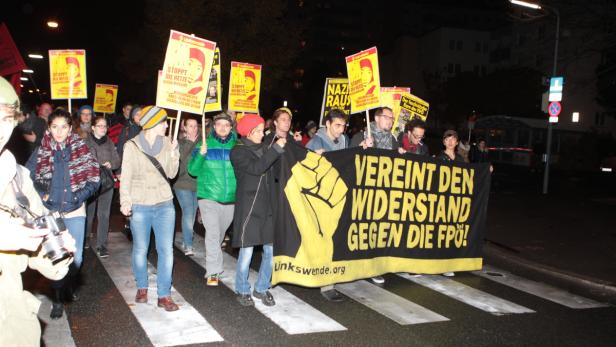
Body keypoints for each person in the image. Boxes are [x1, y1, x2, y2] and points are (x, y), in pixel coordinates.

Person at [0, 76, 77, 346]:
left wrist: (58, 251)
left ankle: (58, 300)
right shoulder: (40, 151)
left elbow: (91, 176)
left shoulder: (16, 177)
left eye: (6, 119)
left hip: (11, 326)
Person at [26, 108, 100, 319]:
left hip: (75, 210)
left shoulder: (81, 148)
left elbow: (94, 178)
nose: (59, 132)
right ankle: (58, 299)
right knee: (56, 258)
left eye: (64, 127)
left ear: (70, 128)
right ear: (49, 128)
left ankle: (69, 283)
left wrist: (79, 197)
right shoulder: (42, 150)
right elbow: (25, 175)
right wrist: (42, 195)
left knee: (75, 259)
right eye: (55, 127)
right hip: (51, 214)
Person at [120, 105, 180, 311]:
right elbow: (126, 176)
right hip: (140, 204)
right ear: (153, 124)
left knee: (166, 250)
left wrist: (174, 153)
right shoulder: (132, 145)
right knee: (140, 249)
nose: (167, 125)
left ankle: (164, 294)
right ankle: (142, 286)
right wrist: (125, 201)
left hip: (164, 203)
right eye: (164, 122)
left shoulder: (167, 143)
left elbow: (171, 174)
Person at [231, 113, 286, 306]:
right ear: (249, 132)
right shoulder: (238, 151)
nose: (263, 135)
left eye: (263, 130)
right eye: (259, 131)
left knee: (270, 251)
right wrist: (276, 150)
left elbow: (279, 166)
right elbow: (256, 168)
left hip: (268, 206)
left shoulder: (264, 148)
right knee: (246, 252)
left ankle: (262, 287)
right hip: (249, 207)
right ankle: (242, 288)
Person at [350, 107, 401, 285]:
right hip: (365, 192)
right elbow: (348, 158)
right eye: (388, 117)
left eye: (392, 118)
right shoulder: (362, 136)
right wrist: (362, 148)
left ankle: (375, 266)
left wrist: (400, 154)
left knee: (380, 232)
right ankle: (362, 266)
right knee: (365, 231)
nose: (391, 121)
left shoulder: (393, 140)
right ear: (377, 118)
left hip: (384, 192)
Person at [188, 112, 237, 286]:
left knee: (219, 234)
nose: (223, 127)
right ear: (214, 127)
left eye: (226, 125)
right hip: (208, 196)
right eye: (219, 124)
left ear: (231, 127)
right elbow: (192, 171)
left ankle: (213, 257)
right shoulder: (204, 144)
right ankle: (213, 271)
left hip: (230, 198)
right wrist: (201, 154)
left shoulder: (238, 146)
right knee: (213, 233)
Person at [305, 108, 349, 301]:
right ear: (328, 124)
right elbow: (303, 168)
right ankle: (327, 286)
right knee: (325, 239)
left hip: (338, 195)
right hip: (321, 198)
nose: (341, 129)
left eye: (343, 125)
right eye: (337, 125)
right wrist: (314, 157)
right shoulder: (316, 142)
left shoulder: (345, 140)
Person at [85, 115, 121, 258]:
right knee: (89, 213)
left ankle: (102, 244)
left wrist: (111, 164)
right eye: (99, 125)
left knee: (104, 214)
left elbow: (117, 161)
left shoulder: (110, 143)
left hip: (106, 183)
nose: (103, 128)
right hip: (90, 183)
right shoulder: (85, 142)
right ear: (93, 127)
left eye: (105, 126)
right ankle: (86, 236)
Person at [435, 129, 464, 277]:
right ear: (444, 142)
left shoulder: (460, 159)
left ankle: (447, 264)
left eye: (453, 139)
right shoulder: (439, 157)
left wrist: (485, 170)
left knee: (450, 233)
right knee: (440, 232)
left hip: (456, 202)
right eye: (447, 139)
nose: (450, 142)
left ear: (457, 142)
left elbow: (470, 174)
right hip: (441, 201)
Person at [174, 118, 200, 256]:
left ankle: (186, 238)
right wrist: (190, 141)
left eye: (196, 126)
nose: (194, 129)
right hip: (182, 183)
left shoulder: (202, 142)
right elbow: (182, 157)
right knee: (188, 211)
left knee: (193, 214)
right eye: (190, 126)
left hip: (197, 184)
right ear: (184, 128)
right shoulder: (180, 143)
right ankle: (188, 244)